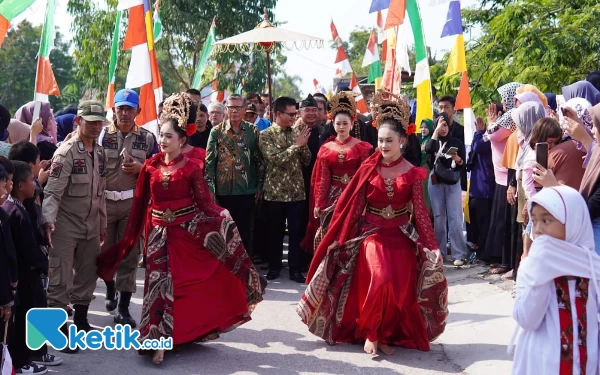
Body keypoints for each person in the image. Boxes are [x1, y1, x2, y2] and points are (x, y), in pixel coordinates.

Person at [96, 93, 265, 365]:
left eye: (168, 137)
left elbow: (205, 204)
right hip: (157, 233)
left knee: (180, 287)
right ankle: (154, 338)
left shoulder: (191, 168)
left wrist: (223, 214)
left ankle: (177, 335)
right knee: (155, 287)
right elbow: (141, 204)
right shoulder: (150, 168)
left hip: (184, 234)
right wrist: (134, 234)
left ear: (181, 140)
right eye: (161, 136)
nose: (162, 141)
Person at [298, 92, 447, 356]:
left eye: (390, 141)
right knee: (381, 278)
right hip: (373, 234)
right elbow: (354, 209)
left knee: (399, 288)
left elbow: (421, 213)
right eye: (380, 140)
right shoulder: (368, 168)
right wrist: (339, 238)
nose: (384, 145)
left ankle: (386, 333)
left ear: (402, 141)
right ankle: (371, 332)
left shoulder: (412, 173)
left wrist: (432, 246)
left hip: (401, 235)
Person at [510, 186, 600, 375]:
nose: (539, 229)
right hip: (542, 366)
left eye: (547, 220)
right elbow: (527, 320)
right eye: (534, 221)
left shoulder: (592, 267)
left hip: (587, 365)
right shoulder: (531, 268)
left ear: (573, 222)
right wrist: (540, 274)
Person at [42, 100, 108, 339]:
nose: (96, 127)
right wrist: (48, 220)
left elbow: (100, 193)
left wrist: (102, 225)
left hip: (90, 225)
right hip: (65, 226)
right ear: (79, 121)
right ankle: (56, 330)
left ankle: (81, 319)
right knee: (60, 278)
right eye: (91, 122)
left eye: (99, 122)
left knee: (89, 273)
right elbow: (52, 191)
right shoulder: (66, 152)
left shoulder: (99, 153)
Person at [98, 89, 156, 327]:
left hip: (132, 203)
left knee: (130, 255)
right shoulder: (102, 135)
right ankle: (110, 286)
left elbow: (157, 168)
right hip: (105, 203)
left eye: (129, 109)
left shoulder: (148, 137)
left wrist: (141, 167)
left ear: (138, 112)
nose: (124, 113)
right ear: (114, 110)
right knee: (105, 252)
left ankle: (123, 307)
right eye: (120, 108)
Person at [3, 161, 63, 373]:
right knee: (26, 319)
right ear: (19, 185)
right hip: (25, 276)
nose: (35, 185)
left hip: (27, 275)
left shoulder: (19, 207)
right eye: (31, 181)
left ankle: (31, 355)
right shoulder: (14, 212)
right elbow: (26, 248)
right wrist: (43, 264)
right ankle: (21, 361)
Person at [302, 92, 372, 254]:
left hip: (354, 194)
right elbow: (323, 178)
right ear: (332, 123)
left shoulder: (362, 147)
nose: (341, 127)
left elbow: (364, 177)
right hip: (333, 194)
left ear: (352, 123)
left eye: (345, 123)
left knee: (352, 231)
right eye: (338, 123)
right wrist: (319, 203)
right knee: (330, 231)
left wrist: (365, 202)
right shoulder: (326, 148)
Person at [259, 96, 311, 283]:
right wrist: (296, 146)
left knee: (296, 232)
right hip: (275, 192)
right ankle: (275, 267)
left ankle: (295, 269)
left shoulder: (298, 131)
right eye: (290, 114)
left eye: (295, 113)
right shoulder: (266, 135)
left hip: (297, 191)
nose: (293, 117)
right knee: (275, 232)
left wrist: (303, 147)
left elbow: (306, 161)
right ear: (278, 113)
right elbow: (275, 159)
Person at [206, 94, 264, 253]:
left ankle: (246, 268)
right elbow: (210, 162)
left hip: (247, 189)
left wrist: (260, 185)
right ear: (226, 110)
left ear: (245, 109)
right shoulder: (216, 132)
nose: (234, 111)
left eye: (238, 107)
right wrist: (210, 189)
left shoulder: (253, 130)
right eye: (231, 107)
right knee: (224, 230)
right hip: (223, 190)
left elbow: (259, 160)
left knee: (245, 232)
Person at [426, 113, 468, 266]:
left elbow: (463, 164)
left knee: (455, 217)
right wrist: (435, 132)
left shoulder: (455, 141)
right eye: (439, 125)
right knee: (439, 218)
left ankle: (459, 253)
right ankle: (440, 252)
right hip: (436, 183)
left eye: (445, 125)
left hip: (452, 182)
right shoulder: (434, 141)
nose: (442, 128)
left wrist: (458, 159)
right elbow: (428, 149)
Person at [467, 117, 495, 255]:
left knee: (484, 223)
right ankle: (478, 249)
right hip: (477, 188)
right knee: (476, 223)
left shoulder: (493, 135)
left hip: (485, 188)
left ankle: (484, 253)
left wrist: (479, 132)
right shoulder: (486, 135)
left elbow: (478, 146)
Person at [437, 95, 466, 191]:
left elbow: (464, 155)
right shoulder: (435, 131)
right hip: (438, 177)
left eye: (446, 107)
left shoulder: (461, 130)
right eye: (440, 107)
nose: (443, 110)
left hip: (455, 176)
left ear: (454, 110)